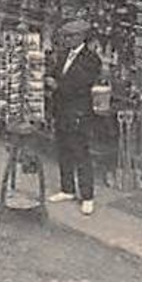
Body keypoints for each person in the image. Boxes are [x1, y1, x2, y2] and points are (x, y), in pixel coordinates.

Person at [47, 19, 103, 215]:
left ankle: (87, 196)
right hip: (62, 109)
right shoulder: (63, 55)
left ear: (80, 37)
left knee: (81, 153)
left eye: (70, 36)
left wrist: (57, 85)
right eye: (65, 36)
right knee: (63, 150)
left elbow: (80, 85)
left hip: (78, 112)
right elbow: (55, 73)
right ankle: (67, 189)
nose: (66, 40)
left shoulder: (90, 59)